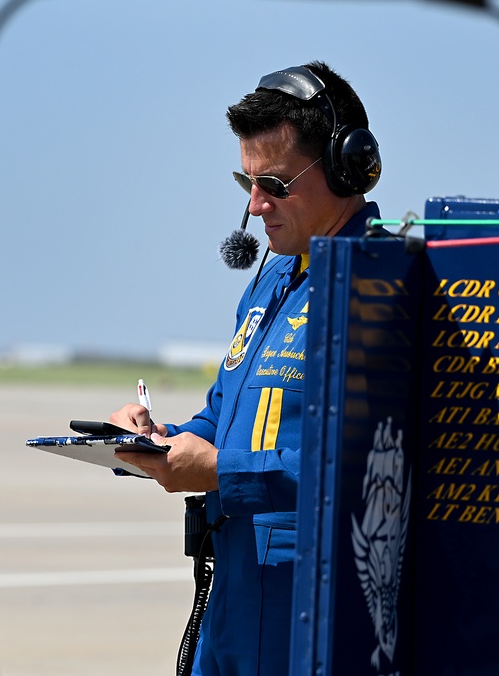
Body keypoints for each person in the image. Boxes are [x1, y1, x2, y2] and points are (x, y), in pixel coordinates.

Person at [110, 62, 383, 676]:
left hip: (306, 605)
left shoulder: (379, 284)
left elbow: (366, 464)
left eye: (277, 185)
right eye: (247, 181)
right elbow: (224, 412)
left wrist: (218, 472)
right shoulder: (275, 277)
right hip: (235, 586)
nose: (255, 206)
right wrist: (158, 439)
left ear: (346, 166)